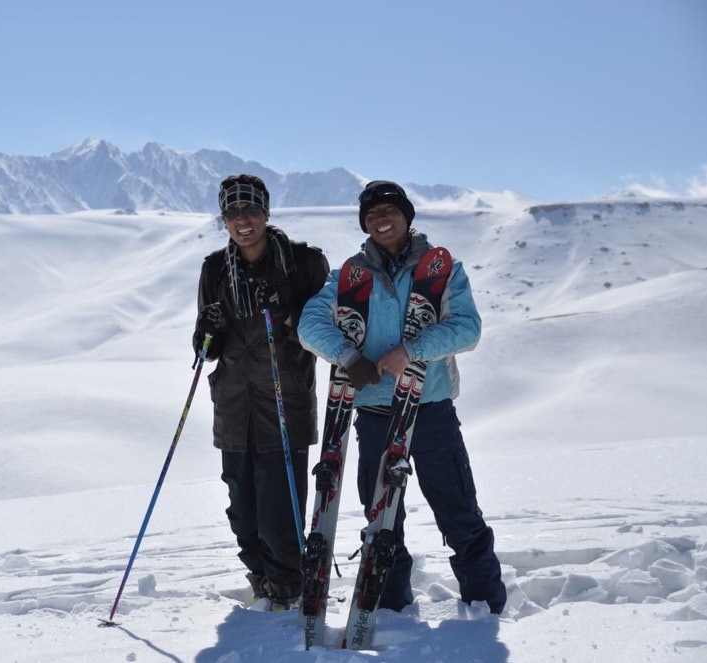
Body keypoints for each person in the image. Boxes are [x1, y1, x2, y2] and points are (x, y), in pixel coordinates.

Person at [297, 180, 507, 614]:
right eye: (372, 214)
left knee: (457, 510)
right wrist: (346, 355)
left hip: (430, 409)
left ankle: (485, 604)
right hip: (374, 412)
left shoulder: (442, 268)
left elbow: (467, 329)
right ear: (365, 224)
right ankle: (392, 607)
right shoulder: (348, 277)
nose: (381, 219)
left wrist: (411, 350)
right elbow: (309, 325)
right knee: (382, 518)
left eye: (389, 210)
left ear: (407, 215)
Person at [193, 174, 330, 609]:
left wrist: (289, 317)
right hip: (233, 405)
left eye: (250, 209)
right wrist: (206, 333)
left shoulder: (303, 263)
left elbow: (326, 329)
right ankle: (262, 581)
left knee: (278, 508)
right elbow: (204, 349)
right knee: (242, 508)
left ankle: (289, 587)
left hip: (282, 401)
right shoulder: (215, 268)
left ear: (266, 213)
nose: (242, 219)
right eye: (232, 211)